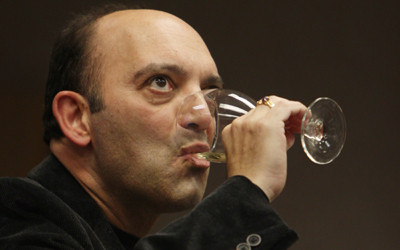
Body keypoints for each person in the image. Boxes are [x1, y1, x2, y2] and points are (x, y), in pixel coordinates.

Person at [0, 4, 308, 250]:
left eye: (209, 91)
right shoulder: (14, 217)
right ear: (77, 119)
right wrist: (245, 192)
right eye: (160, 83)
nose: (203, 116)